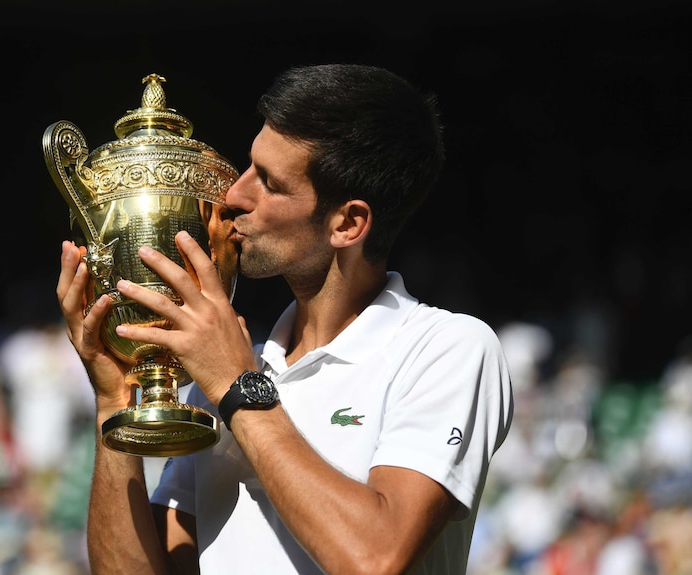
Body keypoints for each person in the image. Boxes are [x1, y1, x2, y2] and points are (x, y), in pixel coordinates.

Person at [56, 64, 514, 575]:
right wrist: (112, 401)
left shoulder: (448, 348)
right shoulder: (225, 371)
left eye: (269, 183)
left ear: (348, 223)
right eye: (250, 166)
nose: (234, 196)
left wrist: (238, 387)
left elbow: (376, 558)